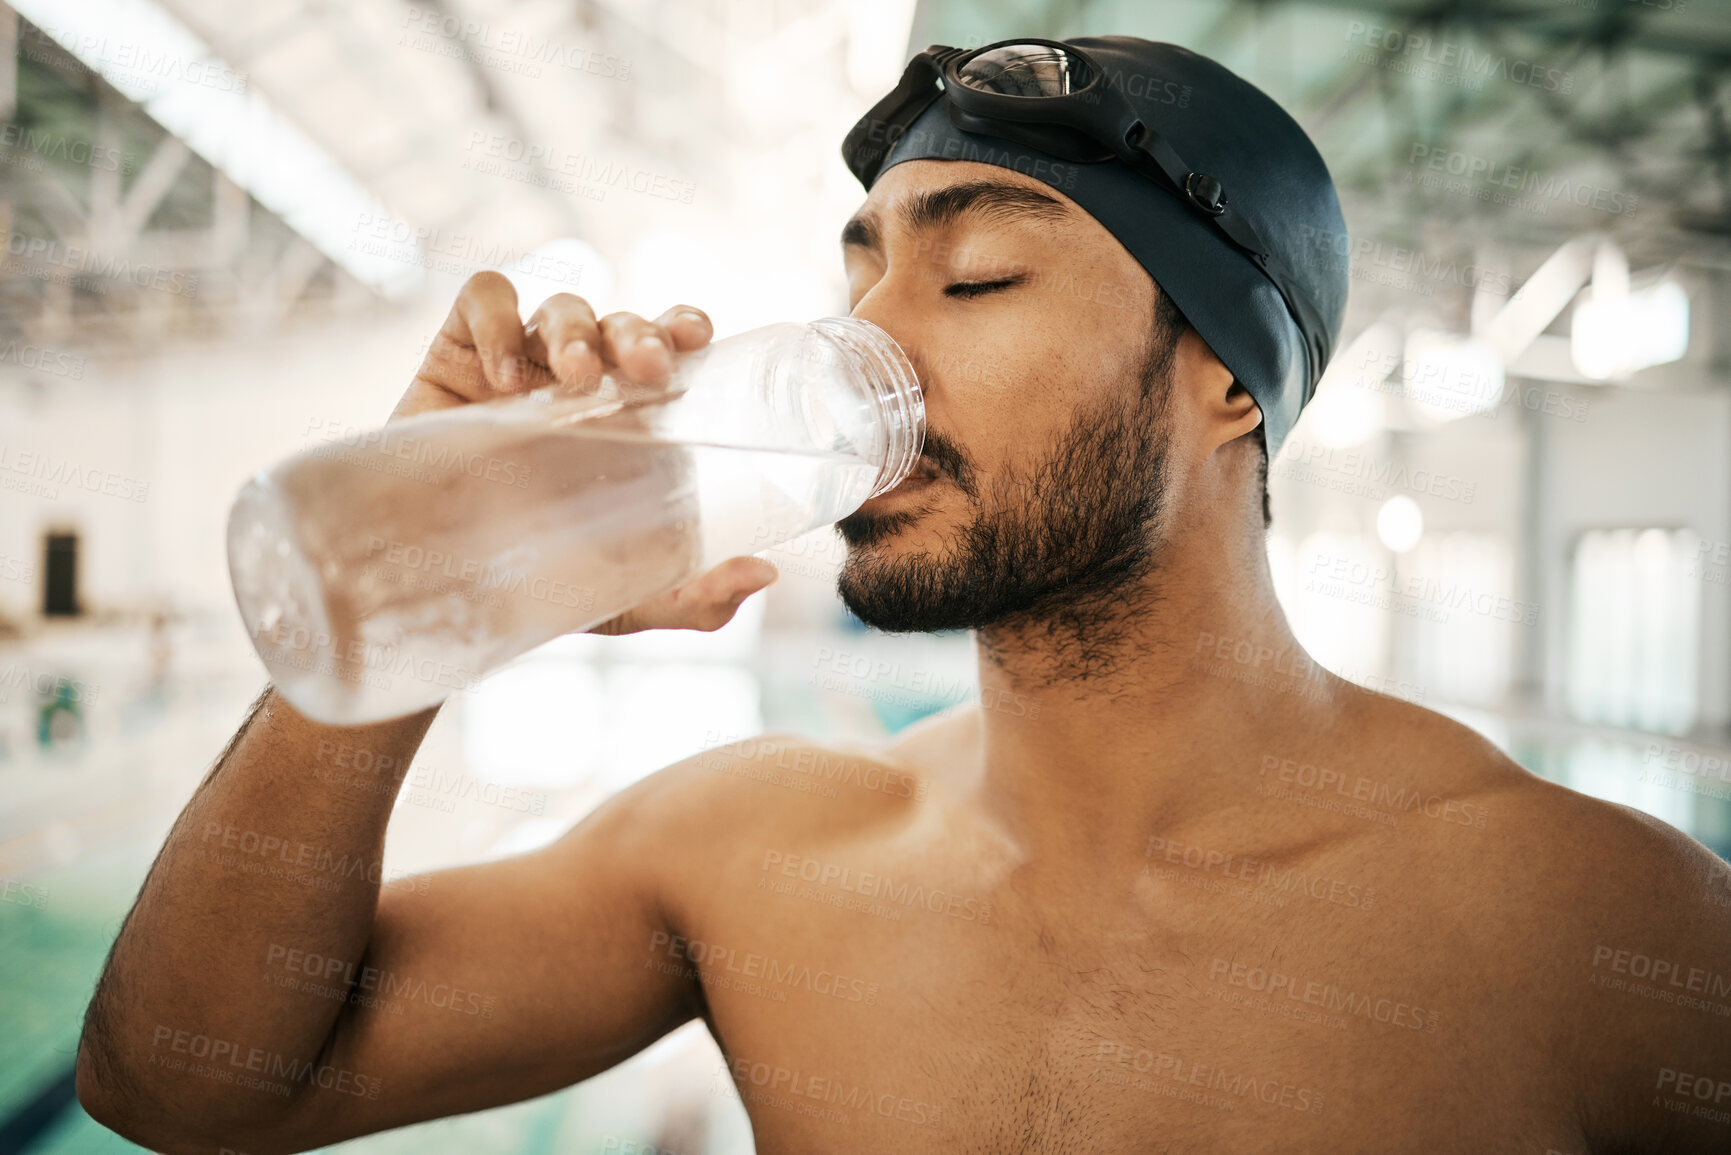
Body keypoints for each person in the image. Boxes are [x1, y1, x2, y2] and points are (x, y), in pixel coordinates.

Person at [77, 37, 1731, 1154]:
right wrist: (418, 572)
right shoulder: (760, 848)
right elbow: (184, 1085)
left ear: (1227, 379)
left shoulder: (1585, 932)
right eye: (860, 268)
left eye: (979, 272)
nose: (873, 340)